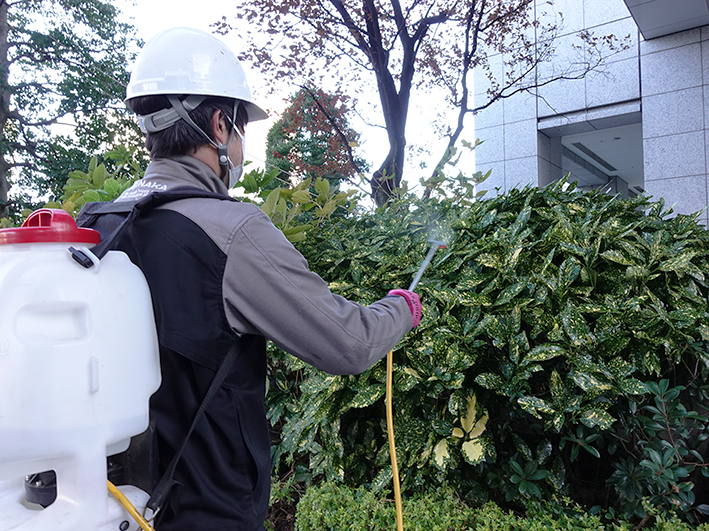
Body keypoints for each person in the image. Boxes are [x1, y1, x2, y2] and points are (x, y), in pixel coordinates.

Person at [78, 27, 421, 531]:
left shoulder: (93, 228)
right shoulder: (232, 232)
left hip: (107, 506)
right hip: (209, 511)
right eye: (242, 130)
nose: (241, 148)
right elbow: (349, 343)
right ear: (220, 125)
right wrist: (402, 309)